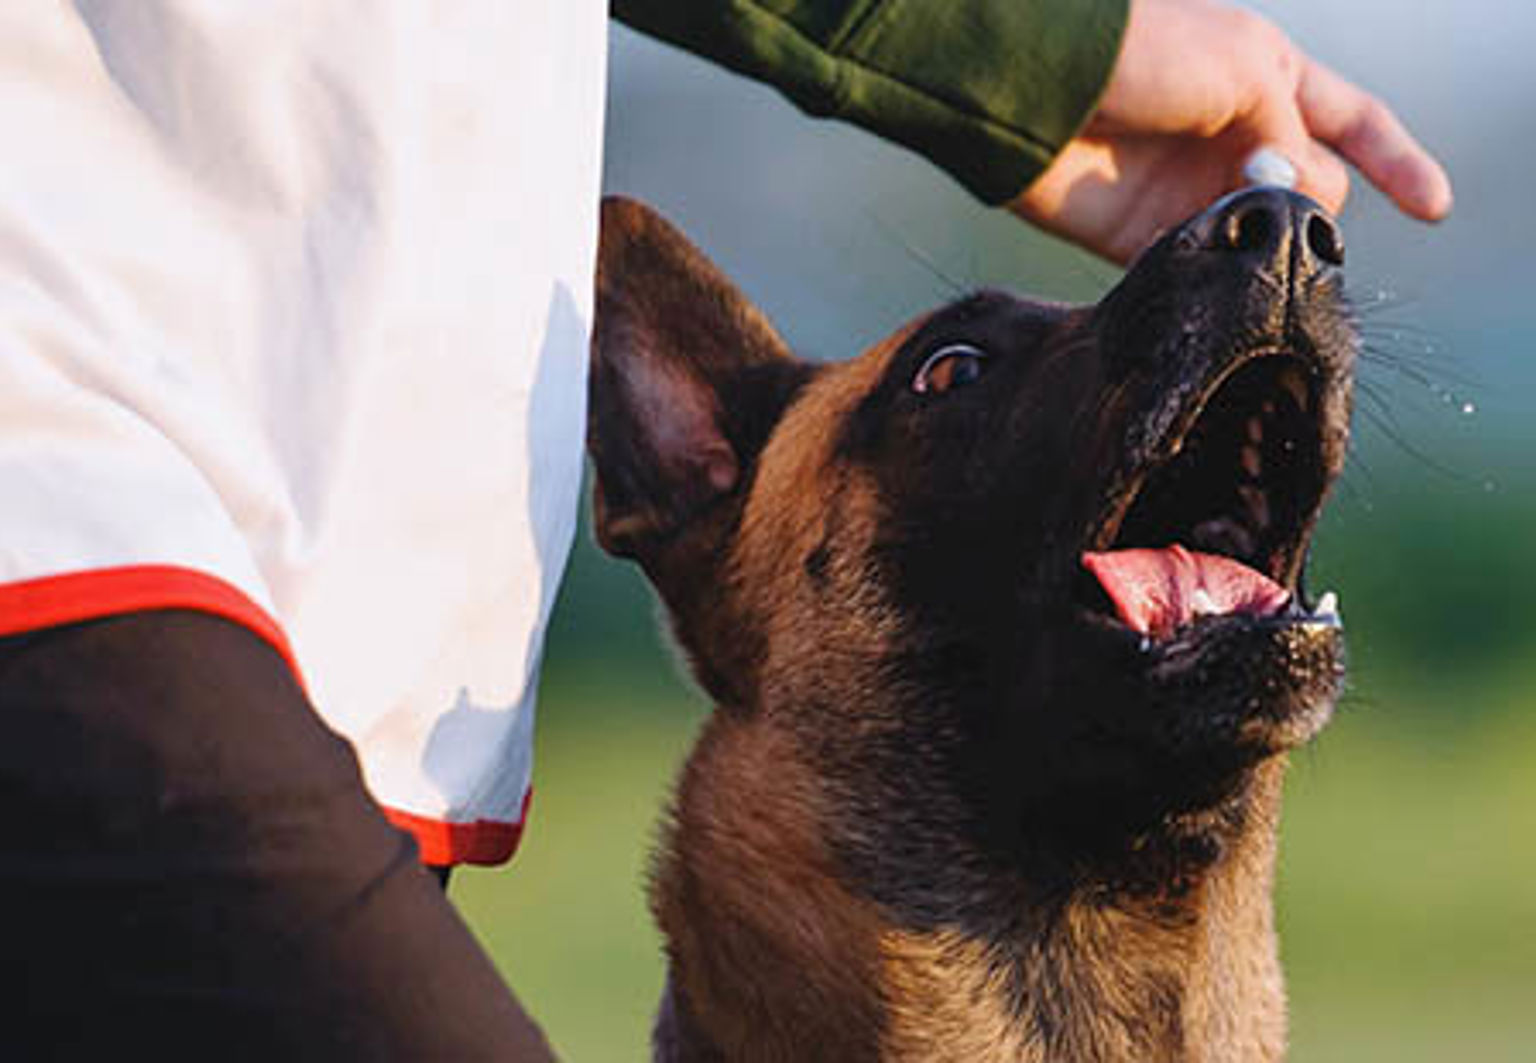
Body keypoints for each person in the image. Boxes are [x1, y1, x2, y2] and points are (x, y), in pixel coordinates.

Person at [0, 0, 1448, 1056]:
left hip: (270, 602)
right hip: (63, 488)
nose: (1286, 247)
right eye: (956, 377)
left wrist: (1040, 58)